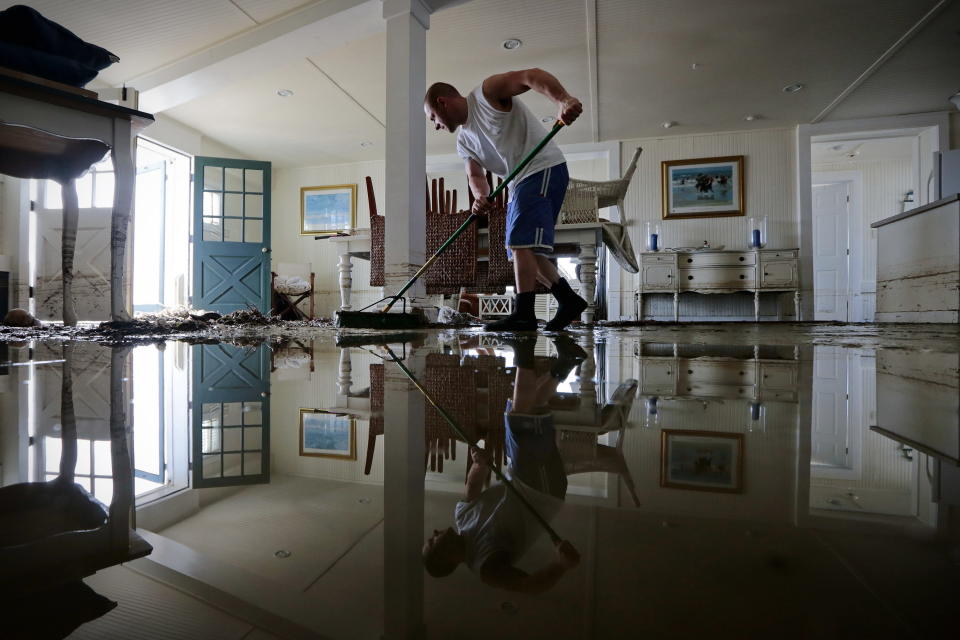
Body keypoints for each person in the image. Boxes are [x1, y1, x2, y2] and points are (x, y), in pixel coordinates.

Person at [424, 69, 588, 331]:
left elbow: (529, 76)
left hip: (541, 167)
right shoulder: (464, 141)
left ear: (442, 102)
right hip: (518, 183)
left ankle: (524, 314)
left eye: (433, 117)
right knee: (519, 252)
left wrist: (563, 100)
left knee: (520, 243)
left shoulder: (486, 94)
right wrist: (480, 196)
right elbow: (475, 175)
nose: (435, 125)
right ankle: (568, 300)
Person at [422, 336, 586, 592]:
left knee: (527, 410)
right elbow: (529, 587)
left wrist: (479, 463)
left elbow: (472, 486)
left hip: (522, 477)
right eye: (432, 542)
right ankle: (525, 349)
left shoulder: (462, 518)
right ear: (445, 559)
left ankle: (565, 361)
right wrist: (561, 566)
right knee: (518, 416)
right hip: (539, 491)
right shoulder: (485, 566)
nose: (433, 532)